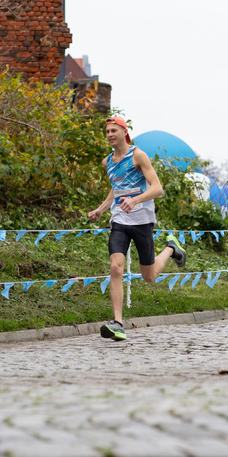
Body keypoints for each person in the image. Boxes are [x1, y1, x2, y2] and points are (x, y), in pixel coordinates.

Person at [88, 116, 187, 342]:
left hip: (142, 220)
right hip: (120, 220)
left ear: (124, 132)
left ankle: (171, 249)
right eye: (107, 131)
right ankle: (118, 323)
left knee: (149, 276)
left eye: (114, 130)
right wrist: (101, 209)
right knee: (115, 267)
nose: (110, 135)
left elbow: (157, 188)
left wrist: (135, 200)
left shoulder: (138, 155)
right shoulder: (107, 162)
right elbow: (116, 187)